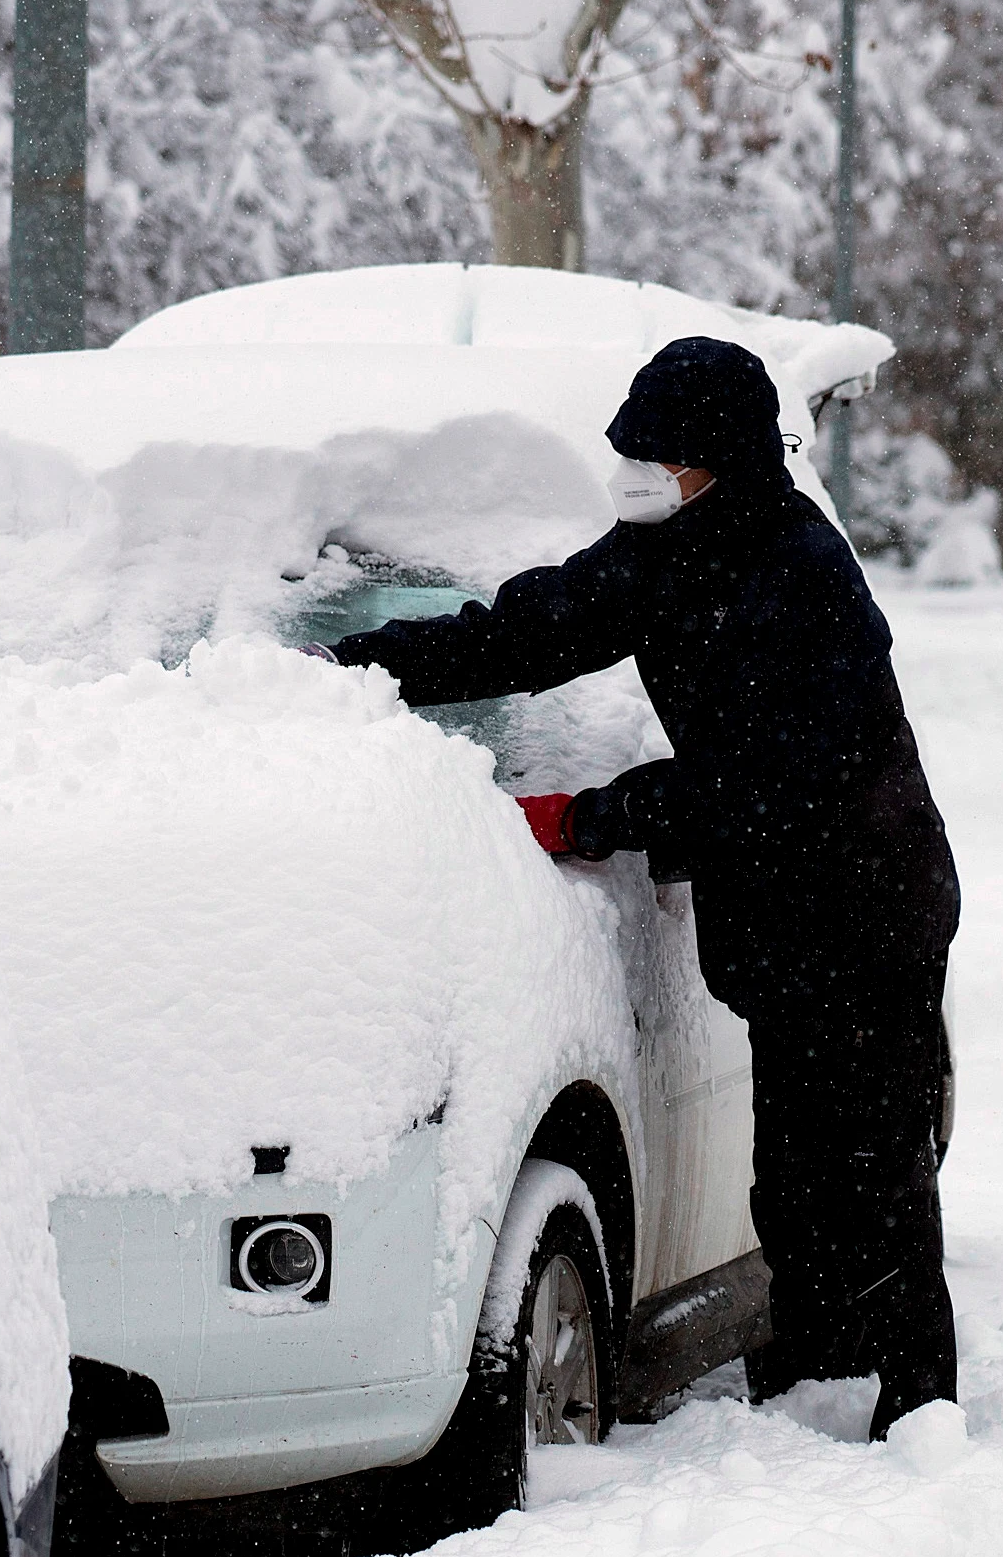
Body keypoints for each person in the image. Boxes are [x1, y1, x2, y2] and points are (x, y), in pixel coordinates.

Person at [322, 336, 962, 1440]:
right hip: (784, 918)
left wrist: (590, 815)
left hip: (868, 903)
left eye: (663, 458)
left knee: (876, 1168)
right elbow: (533, 629)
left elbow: (765, 784)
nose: (640, 475)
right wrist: (360, 669)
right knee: (795, 1175)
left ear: (721, 460)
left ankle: (914, 1403)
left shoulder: (803, 575)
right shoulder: (667, 548)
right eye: (636, 455)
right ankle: (813, 1379)